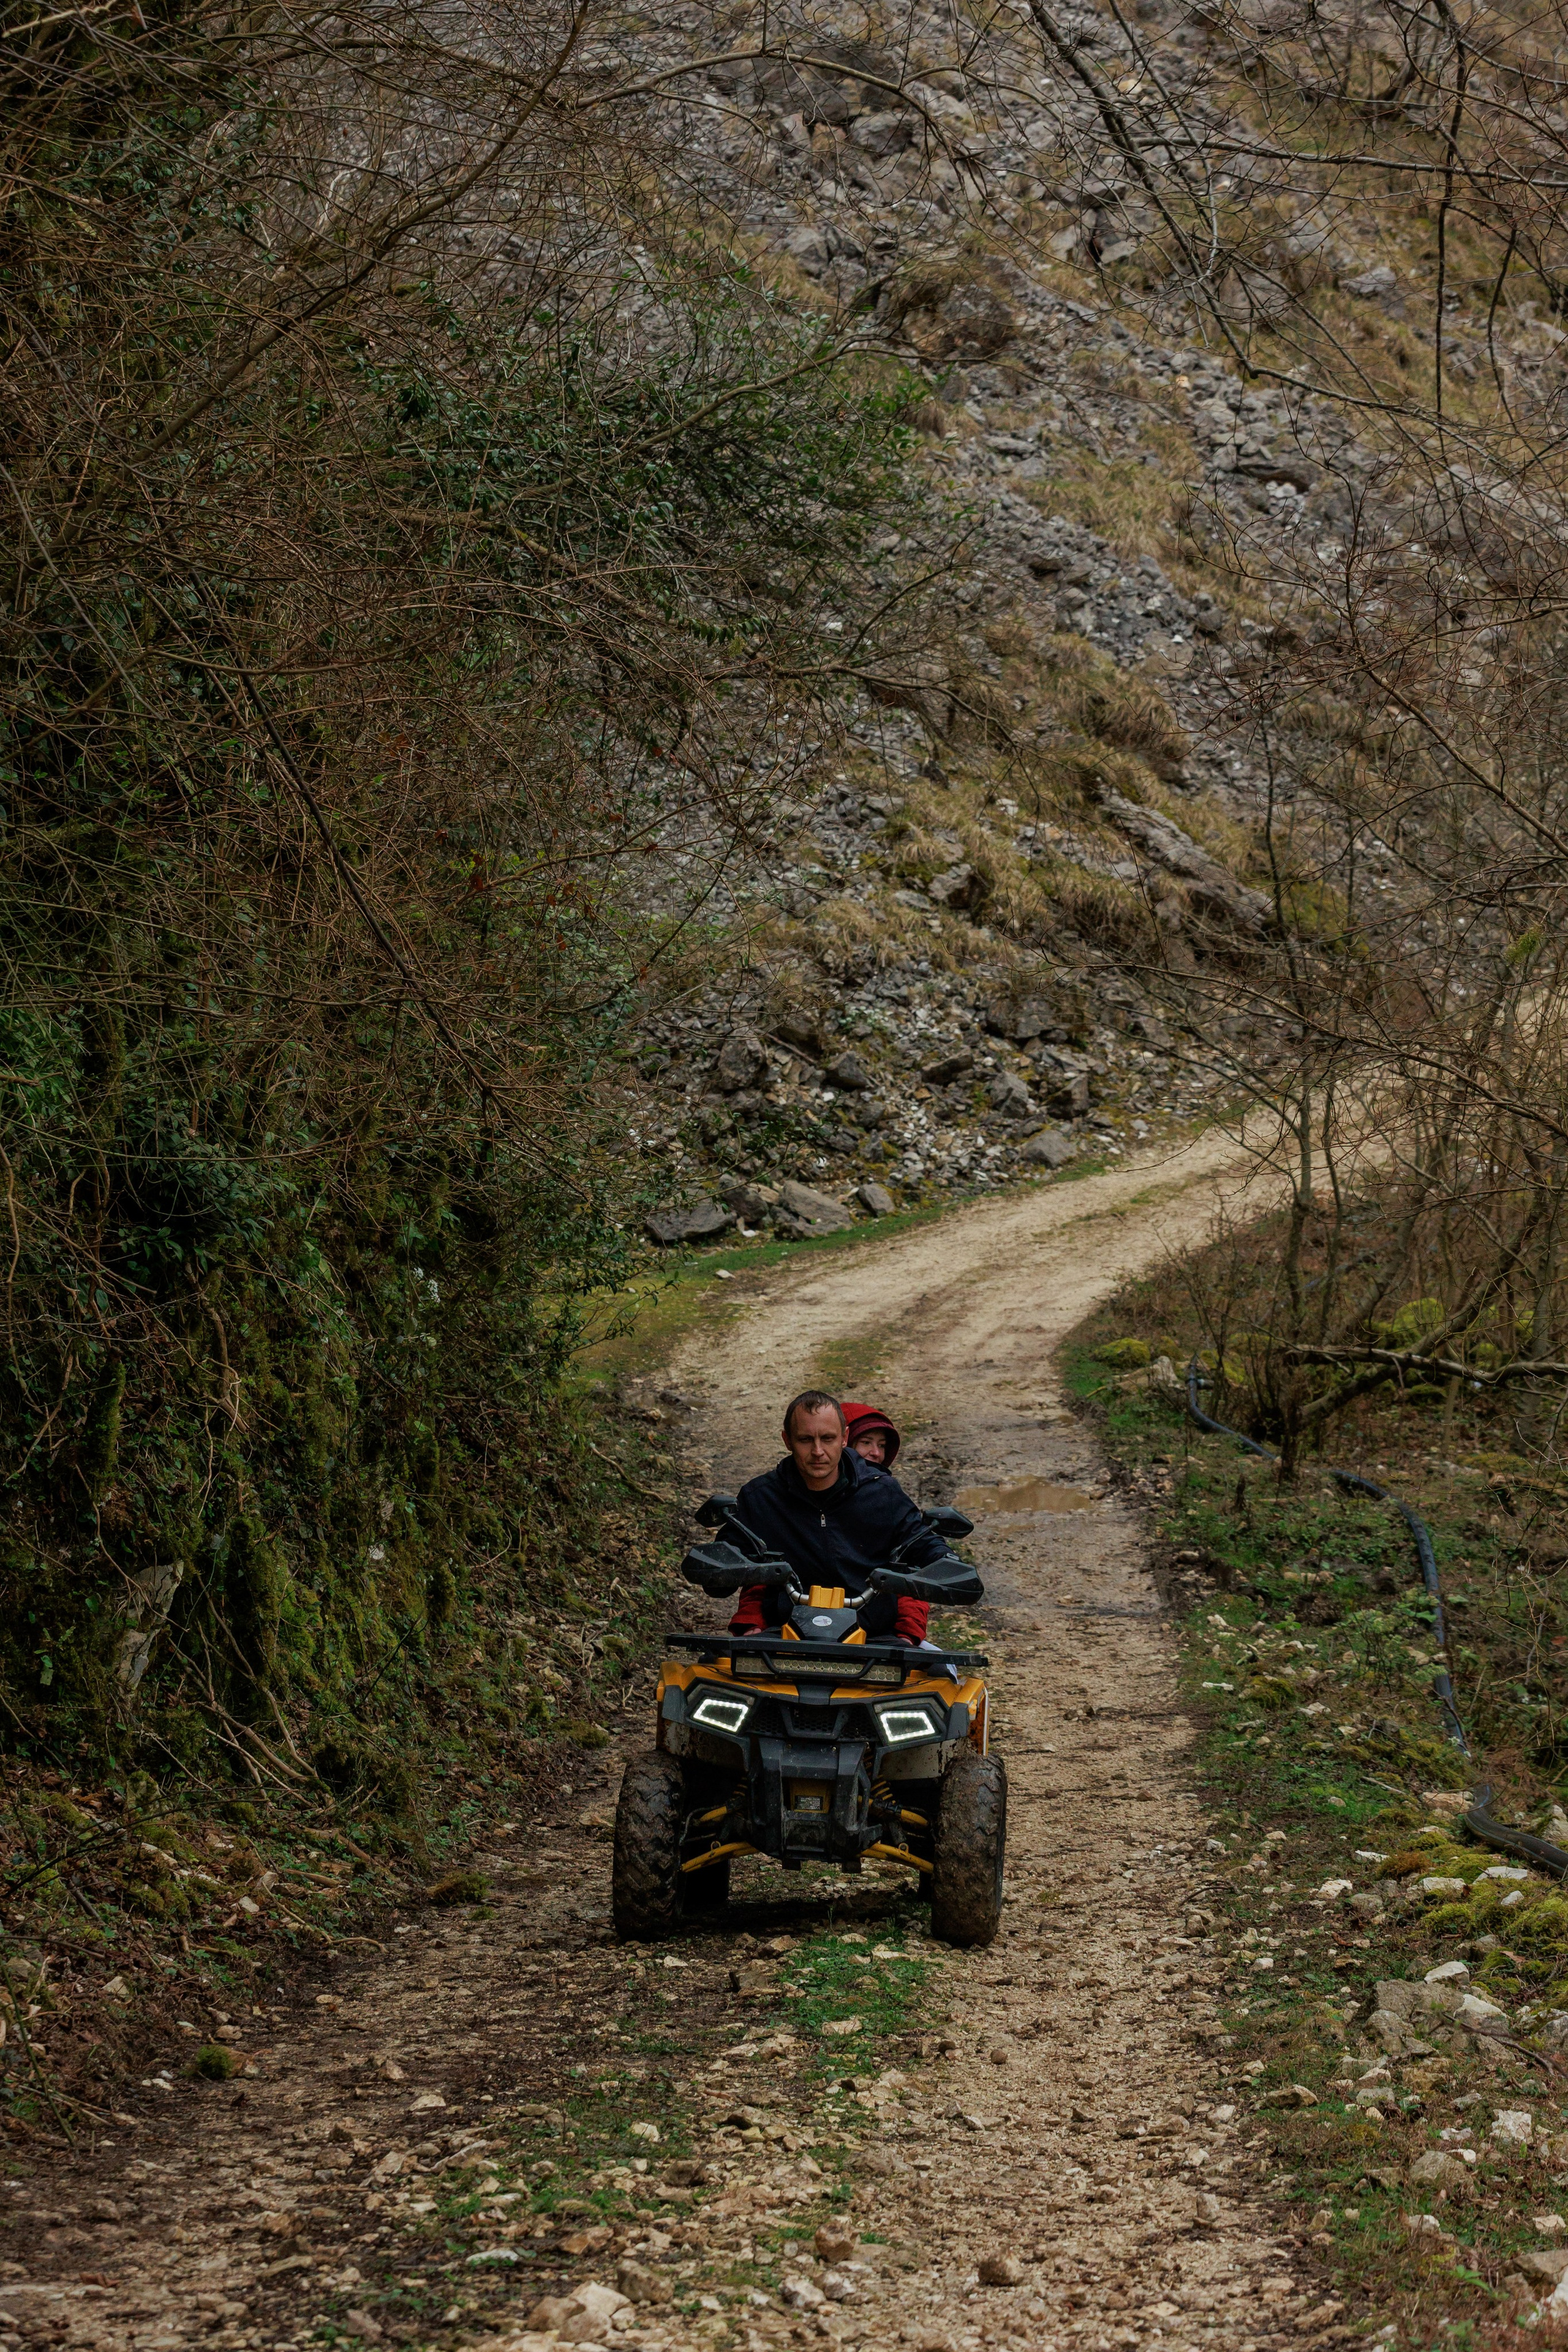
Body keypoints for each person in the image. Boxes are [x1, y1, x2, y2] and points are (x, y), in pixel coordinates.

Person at [726, 1390, 963, 1643]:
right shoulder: (759, 1497)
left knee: (948, 1679)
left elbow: (920, 1543)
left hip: (875, 1639)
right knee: (703, 1673)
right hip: (784, 1636)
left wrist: (949, 1563)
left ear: (844, 1437)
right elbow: (727, 1554)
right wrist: (717, 1564)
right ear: (787, 1440)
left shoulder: (883, 1492)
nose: (818, 1451)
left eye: (828, 1438)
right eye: (806, 1439)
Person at [841, 1400, 900, 1471]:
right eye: (866, 1443)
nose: (876, 1453)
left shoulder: (885, 1482)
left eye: (882, 1445)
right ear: (844, 1441)